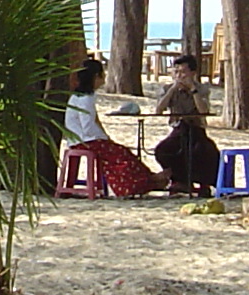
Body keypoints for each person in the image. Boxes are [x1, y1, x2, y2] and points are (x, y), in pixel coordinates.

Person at [62, 60, 160, 198]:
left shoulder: (77, 97)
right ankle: (141, 183)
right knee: (121, 155)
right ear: (96, 76)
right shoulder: (86, 99)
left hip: (81, 139)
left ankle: (149, 179)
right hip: (86, 140)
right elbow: (88, 126)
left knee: (121, 151)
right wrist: (104, 138)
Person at [152, 55, 220, 196]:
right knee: (163, 150)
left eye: (183, 72)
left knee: (204, 151)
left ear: (192, 73)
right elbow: (159, 110)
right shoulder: (168, 88)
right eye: (176, 72)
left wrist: (192, 89)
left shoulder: (201, 89)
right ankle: (180, 180)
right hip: (178, 129)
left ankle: (203, 183)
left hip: (196, 128)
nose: (179, 76)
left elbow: (204, 111)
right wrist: (172, 90)